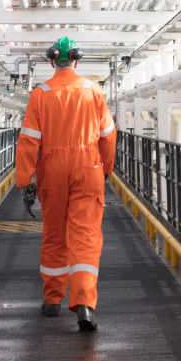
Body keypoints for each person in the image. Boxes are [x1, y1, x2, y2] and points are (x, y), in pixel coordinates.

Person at [15, 35, 116, 331]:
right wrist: (106, 170)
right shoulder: (94, 91)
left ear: (51, 61)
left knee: (55, 234)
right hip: (88, 166)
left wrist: (25, 180)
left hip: (52, 169)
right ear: (75, 59)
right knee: (85, 237)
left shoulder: (40, 94)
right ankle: (84, 304)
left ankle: (52, 300)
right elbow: (108, 136)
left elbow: (28, 141)